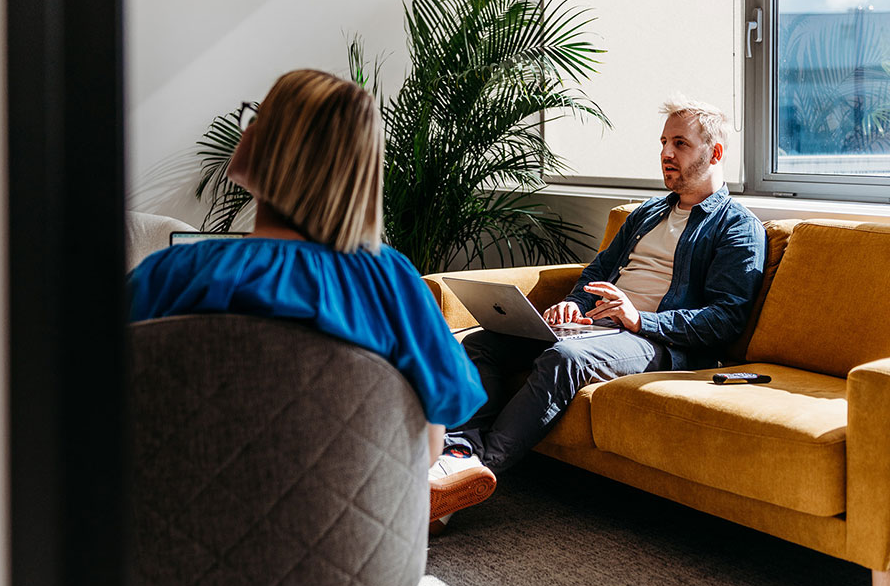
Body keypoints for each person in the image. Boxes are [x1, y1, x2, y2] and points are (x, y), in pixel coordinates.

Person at [428, 97, 767, 531]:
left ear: (715, 153)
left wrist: (639, 319)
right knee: (482, 342)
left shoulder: (736, 226)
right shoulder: (646, 213)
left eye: (680, 144)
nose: (666, 153)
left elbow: (725, 319)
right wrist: (577, 304)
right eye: (664, 142)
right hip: (601, 328)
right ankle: (456, 455)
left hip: (658, 343)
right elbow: (599, 271)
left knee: (565, 359)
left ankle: (471, 474)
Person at [128, 69, 487, 470]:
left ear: (279, 144)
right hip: (352, 527)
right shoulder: (392, 281)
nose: (245, 128)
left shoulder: (170, 272)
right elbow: (427, 445)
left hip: (179, 518)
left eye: (255, 117)